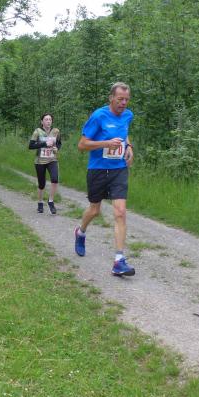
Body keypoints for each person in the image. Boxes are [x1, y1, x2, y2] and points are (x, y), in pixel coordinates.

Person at [74, 82, 135, 277]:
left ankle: (119, 261)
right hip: (98, 169)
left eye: (126, 100)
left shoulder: (128, 115)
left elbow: (125, 133)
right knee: (94, 210)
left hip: (119, 169)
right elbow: (82, 145)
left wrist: (129, 147)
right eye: (120, 99)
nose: (123, 103)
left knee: (120, 212)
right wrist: (106, 143)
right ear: (111, 98)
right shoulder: (99, 116)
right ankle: (80, 232)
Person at [28, 113, 61, 214]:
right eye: (46, 119)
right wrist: (44, 143)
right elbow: (31, 146)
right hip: (40, 161)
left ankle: (51, 202)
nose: (48, 121)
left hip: (52, 159)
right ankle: (40, 203)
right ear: (42, 122)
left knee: (55, 179)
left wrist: (57, 148)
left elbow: (59, 143)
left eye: (50, 119)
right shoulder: (37, 131)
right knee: (41, 184)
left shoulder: (56, 131)